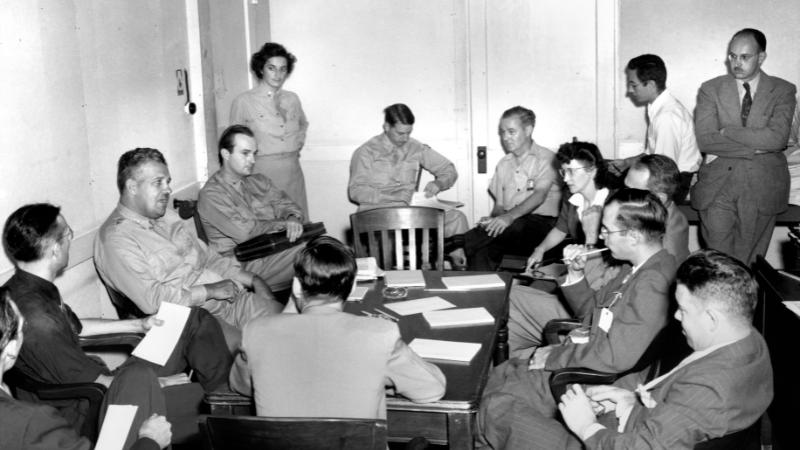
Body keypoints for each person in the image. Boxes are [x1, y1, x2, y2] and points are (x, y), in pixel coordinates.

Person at [3, 204, 233, 449]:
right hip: (96, 406)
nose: (70, 239)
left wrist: (138, 324)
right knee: (203, 401)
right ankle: (228, 409)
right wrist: (159, 383)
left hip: (106, 380)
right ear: (56, 249)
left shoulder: (24, 289)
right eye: (68, 234)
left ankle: (225, 395)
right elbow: (95, 383)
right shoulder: (37, 318)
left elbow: (76, 328)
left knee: (190, 318)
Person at [476, 189, 676, 449]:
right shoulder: (635, 268)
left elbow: (616, 357)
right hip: (584, 359)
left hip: (593, 377)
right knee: (493, 379)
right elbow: (591, 313)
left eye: (607, 230)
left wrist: (556, 356)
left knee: (485, 405)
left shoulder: (652, 283)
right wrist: (576, 273)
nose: (601, 236)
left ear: (634, 237)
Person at [528, 250, 772, 450]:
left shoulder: (707, 387)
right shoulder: (750, 340)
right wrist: (631, 403)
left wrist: (586, 426)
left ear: (711, 319)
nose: (676, 316)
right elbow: (692, 418)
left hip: (616, 442)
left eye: (683, 310)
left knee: (506, 409)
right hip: (643, 426)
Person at [229, 236, 446, 419]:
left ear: (296, 286)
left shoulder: (256, 331)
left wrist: (287, 311)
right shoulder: (380, 334)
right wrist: (379, 382)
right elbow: (432, 389)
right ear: (353, 286)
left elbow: (241, 386)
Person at [94, 148, 284, 348]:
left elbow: (209, 259)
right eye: (158, 182)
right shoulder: (116, 239)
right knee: (266, 350)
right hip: (191, 325)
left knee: (293, 325)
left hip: (232, 302)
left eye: (168, 182)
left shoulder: (166, 216)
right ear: (132, 186)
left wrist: (254, 280)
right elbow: (151, 300)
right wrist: (209, 291)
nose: (168, 189)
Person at [0, 288, 171, 450]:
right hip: (86, 406)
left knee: (138, 374)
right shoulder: (34, 423)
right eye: (22, 329)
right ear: (11, 348)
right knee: (142, 380)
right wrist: (150, 441)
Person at [693, 28, 797, 266]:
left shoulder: (783, 90)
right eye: (732, 56)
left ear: (761, 57)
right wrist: (755, 149)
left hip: (762, 186)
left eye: (744, 57)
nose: (736, 63)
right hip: (717, 185)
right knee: (717, 263)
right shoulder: (711, 89)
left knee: (747, 265)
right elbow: (706, 140)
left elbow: (776, 140)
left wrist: (727, 132)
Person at [349, 103, 469, 267]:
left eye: (408, 133)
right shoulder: (366, 151)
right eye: (400, 133)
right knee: (388, 243)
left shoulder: (415, 147)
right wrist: (390, 195)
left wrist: (439, 182)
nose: (405, 138)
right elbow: (355, 191)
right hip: (378, 213)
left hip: (410, 213)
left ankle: (461, 267)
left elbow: (449, 169)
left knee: (457, 218)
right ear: (387, 127)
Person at [448, 106, 562, 271]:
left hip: (543, 230)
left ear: (528, 130)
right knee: (483, 248)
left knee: (517, 224)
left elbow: (539, 196)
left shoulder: (548, 159)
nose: (505, 137)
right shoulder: (503, 164)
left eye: (511, 132)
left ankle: (456, 243)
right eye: (502, 132)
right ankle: (480, 286)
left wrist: (508, 217)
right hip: (511, 232)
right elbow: (499, 207)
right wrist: (495, 220)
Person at [198, 125, 307, 292]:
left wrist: (292, 217)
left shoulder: (260, 181)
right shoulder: (212, 194)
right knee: (313, 253)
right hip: (240, 266)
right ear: (226, 154)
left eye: (254, 153)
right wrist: (284, 223)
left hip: (272, 251)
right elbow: (246, 233)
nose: (252, 160)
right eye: (245, 153)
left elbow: (287, 205)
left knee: (319, 248)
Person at [230, 42, 310, 218]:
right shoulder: (243, 101)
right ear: (261, 69)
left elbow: (303, 124)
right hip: (262, 173)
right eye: (271, 68)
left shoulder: (292, 99)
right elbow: (233, 143)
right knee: (270, 224)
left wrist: (297, 144)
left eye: (283, 69)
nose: (278, 74)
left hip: (293, 172)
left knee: (298, 222)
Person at [612, 54, 701, 202]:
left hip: (675, 186)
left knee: (616, 197)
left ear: (651, 85)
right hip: (667, 177)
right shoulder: (661, 109)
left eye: (634, 85)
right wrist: (627, 163)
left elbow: (663, 173)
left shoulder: (666, 117)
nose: (630, 90)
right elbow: (652, 156)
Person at [525, 141, 611, 288]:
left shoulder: (612, 203)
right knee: (535, 287)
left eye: (571, 171)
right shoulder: (571, 196)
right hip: (580, 265)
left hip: (606, 272)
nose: (565, 179)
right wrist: (540, 249)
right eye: (564, 172)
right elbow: (561, 229)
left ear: (592, 171)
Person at [624, 154, 690, 264]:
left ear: (659, 199)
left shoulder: (665, 246)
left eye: (633, 192)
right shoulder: (661, 213)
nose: (622, 197)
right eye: (625, 188)